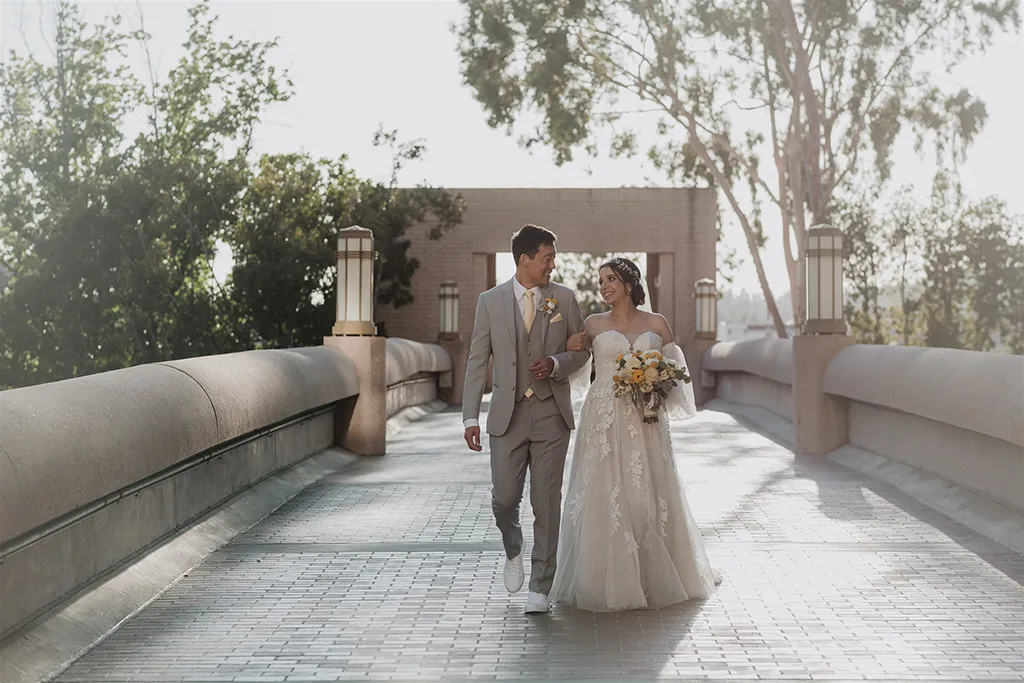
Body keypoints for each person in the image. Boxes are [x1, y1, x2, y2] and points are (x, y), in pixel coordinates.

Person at [549, 257, 720, 612]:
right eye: (601, 281)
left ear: (629, 284)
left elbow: (674, 373)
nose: (604, 286)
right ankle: (603, 576)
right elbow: (576, 366)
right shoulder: (592, 324)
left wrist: (655, 385)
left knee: (645, 489)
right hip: (603, 416)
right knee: (604, 488)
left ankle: (651, 574)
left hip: (646, 418)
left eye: (611, 279)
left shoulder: (657, 324)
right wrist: (569, 347)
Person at [462, 224, 591, 614]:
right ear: (524, 259)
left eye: (554, 259)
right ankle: (513, 548)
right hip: (507, 416)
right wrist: (470, 416)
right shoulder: (490, 301)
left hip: (551, 414)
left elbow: (582, 351)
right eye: (547, 258)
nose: (553, 265)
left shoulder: (564, 299)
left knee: (546, 503)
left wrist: (555, 362)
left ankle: (540, 586)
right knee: (504, 500)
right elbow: (477, 360)